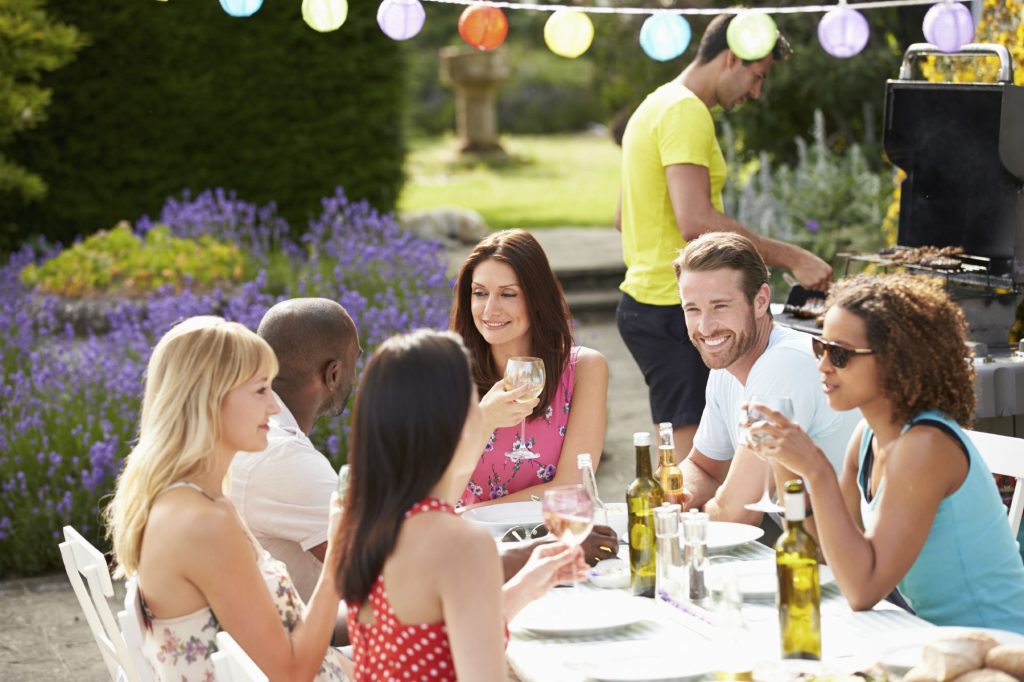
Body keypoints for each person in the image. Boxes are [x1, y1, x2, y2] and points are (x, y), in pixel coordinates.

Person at [749, 273, 1024, 631]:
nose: (823, 365)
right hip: (926, 639)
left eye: (841, 354)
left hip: (995, 651)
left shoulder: (924, 448)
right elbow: (825, 554)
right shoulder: (867, 436)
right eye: (821, 347)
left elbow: (862, 589)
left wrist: (816, 469)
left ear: (897, 360)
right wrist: (783, 461)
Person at [616, 12, 832, 464]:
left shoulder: (654, 104)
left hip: (650, 302)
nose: (756, 92)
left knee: (693, 454)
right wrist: (791, 257)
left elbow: (622, 216)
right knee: (696, 460)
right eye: (756, 77)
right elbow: (695, 221)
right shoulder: (685, 111)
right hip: (673, 304)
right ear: (731, 58)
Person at [105, 316, 349, 680]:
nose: (275, 408)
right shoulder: (203, 522)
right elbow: (291, 673)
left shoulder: (191, 499)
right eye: (260, 390)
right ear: (209, 399)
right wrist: (338, 560)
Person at [335, 329, 586, 680]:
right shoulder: (459, 543)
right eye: (474, 401)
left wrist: (527, 584)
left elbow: (433, 633)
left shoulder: (367, 525)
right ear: (457, 424)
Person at [674, 232, 860, 530]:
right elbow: (704, 468)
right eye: (692, 309)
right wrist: (666, 498)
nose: (705, 327)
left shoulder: (784, 364)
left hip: (849, 555)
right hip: (805, 539)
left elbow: (738, 513)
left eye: (720, 306)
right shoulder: (726, 363)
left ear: (761, 301)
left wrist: (667, 523)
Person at [450, 229, 610, 507]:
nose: (490, 309)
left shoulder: (584, 369)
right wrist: (484, 422)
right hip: (474, 544)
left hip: (553, 537)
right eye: (480, 293)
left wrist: (474, 513)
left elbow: (573, 487)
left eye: (508, 294)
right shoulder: (448, 375)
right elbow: (441, 495)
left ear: (536, 300)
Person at [229, 298, 360, 603]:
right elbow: (376, 573)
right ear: (334, 374)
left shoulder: (243, 431)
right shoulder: (284, 457)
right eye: (356, 360)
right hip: (303, 638)